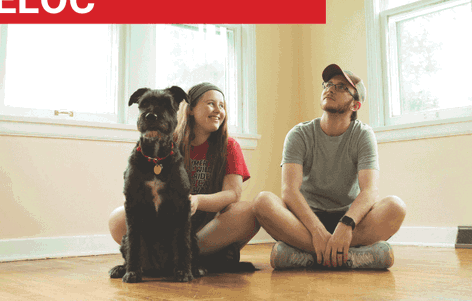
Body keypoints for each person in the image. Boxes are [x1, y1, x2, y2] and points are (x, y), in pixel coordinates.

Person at [254, 64, 406, 269]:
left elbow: (370, 190)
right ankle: (352, 257)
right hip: (306, 221)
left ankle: (306, 256)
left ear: (355, 106)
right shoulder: (299, 134)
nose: (331, 89)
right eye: (328, 84)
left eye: (342, 87)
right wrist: (317, 230)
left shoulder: (363, 135)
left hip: (349, 220)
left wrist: (346, 225)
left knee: (396, 207)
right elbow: (289, 191)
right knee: (263, 202)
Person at [109, 82, 259, 267]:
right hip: (168, 227)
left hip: (208, 227)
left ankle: (181, 256)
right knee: (117, 218)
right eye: (211, 103)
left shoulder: (230, 146)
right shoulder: (167, 140)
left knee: (249, 211)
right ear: (190, 109)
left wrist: (197, 201)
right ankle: (199, 258)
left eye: (222, 106)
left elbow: (233, 194)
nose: (218, 110)